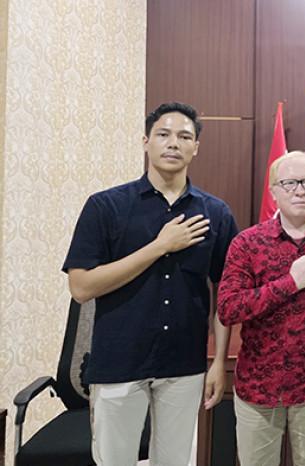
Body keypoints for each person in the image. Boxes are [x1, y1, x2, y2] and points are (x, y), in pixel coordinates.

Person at [63, 101, 238, 465]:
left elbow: (226, 293)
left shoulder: (215, 213)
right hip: (119, 361)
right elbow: (81, 287)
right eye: (163, 134)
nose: (173, 143)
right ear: (146, 142)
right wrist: (160, 247)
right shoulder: (106, 206)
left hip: (184, 364)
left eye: (184, 137)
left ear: (196, 147)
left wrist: (219, 361)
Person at [217, 151, 305, 466]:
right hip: (258, 388)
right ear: (273, 190)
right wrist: (292, 282)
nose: (299, 190)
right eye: (289, 183)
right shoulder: (247, 244)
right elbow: (228, 309)